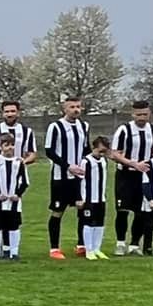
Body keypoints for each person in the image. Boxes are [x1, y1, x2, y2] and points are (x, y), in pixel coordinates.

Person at [0, 103, 39, 258]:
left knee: (10, 215)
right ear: (2, 113)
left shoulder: (26, 131)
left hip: (14, 179)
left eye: (13, 111)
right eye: (7, 111)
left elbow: (32, 153)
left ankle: (8, 249)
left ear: (18, 112)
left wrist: (22, 163)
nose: (10, 114)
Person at [110, 100, 153, 255]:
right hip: (126, 175)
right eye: (138, 114)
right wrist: (133, 164)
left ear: (149, 114)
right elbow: (114, 154)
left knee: (141, 211)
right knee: (123, 210)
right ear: (132, 114)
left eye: (145, 114)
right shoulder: (124, 130)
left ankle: (134, 244)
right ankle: (120, 243)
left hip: (145, 175)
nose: (142, 117)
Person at [43, 95, 91, 260]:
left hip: (79, 176)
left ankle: (81, 245)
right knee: (58, 211)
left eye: (78, 106)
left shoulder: (84, 126)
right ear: (65, 109)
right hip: (61, 177)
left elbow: (86, 149)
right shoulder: (55, 127)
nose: (76, 109)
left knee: (83, 209)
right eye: (72, 107)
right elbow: (49, 151)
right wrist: (68, 166)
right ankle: (54, 248)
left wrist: (85, 166)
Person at [0, 134, 30, 260]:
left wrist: (18, 194)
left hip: (14, 201)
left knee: (14, 226)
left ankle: (13, 252)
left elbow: (25, 182)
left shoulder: (19, 162)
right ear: (0, 147)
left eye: (12, 145)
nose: (9, 148)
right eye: (6, 145)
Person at [75, 137, 112, 260]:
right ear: (94, 148)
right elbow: (79, 180)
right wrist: (80, 198)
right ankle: (89, 249)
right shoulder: (86, 161)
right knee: (88, 223)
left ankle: (97, 248)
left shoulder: (104, 161)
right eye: (100, 151)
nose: (102, 154)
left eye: (104, 151)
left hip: (100, 198)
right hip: (88, 198)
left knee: (100, 223)